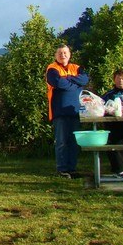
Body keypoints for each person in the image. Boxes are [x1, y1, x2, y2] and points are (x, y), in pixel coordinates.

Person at [45, 45, 89, 178]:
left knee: (74, 142)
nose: (62, 55)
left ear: (69, 54)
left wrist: (68, 78)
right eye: (60, 53)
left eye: (65, 53)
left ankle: (72, 169)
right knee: (62, 142)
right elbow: (58, 83)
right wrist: (75, 84)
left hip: (75, 111)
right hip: (59, 112)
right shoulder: (52, 68)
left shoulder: (76, 67)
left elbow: (85, 79)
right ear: (55, 55)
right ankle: (62, 169)